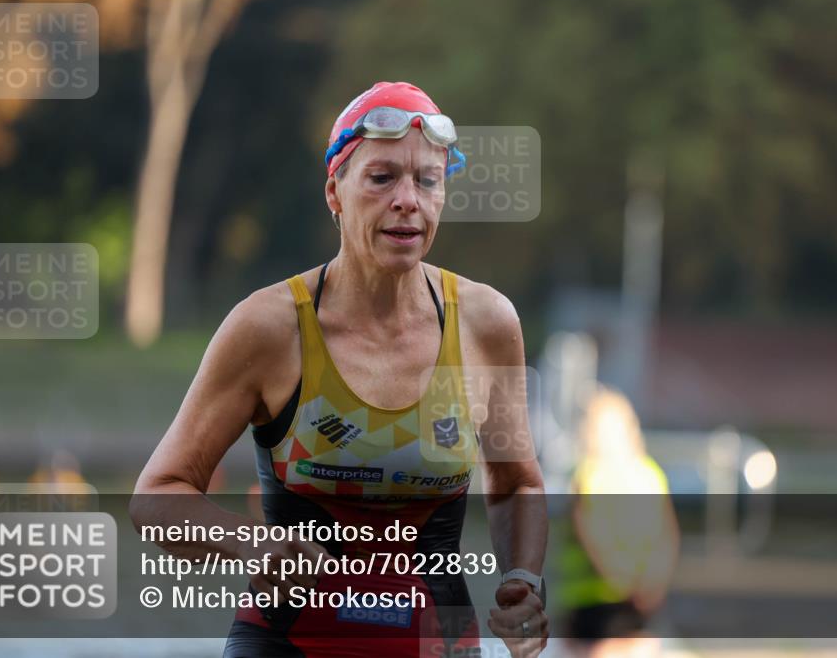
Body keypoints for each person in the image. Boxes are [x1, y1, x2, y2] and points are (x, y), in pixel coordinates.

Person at [131, 81, 548, 657]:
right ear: (335, 191)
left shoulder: (485, 322)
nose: (408, 199)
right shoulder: (269, 326)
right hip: (290, 641)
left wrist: (522, 577)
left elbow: (517, 484)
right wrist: (254, 546)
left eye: (427, 180)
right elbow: (156, 498)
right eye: (382, 178)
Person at [557, 387, 678, 658]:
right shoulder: (650, 472)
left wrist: (620, 579)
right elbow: (668, 535)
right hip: (642, 594)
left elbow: (591, 534)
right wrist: (654, 586)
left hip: (593, 595)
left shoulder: (588, 475)